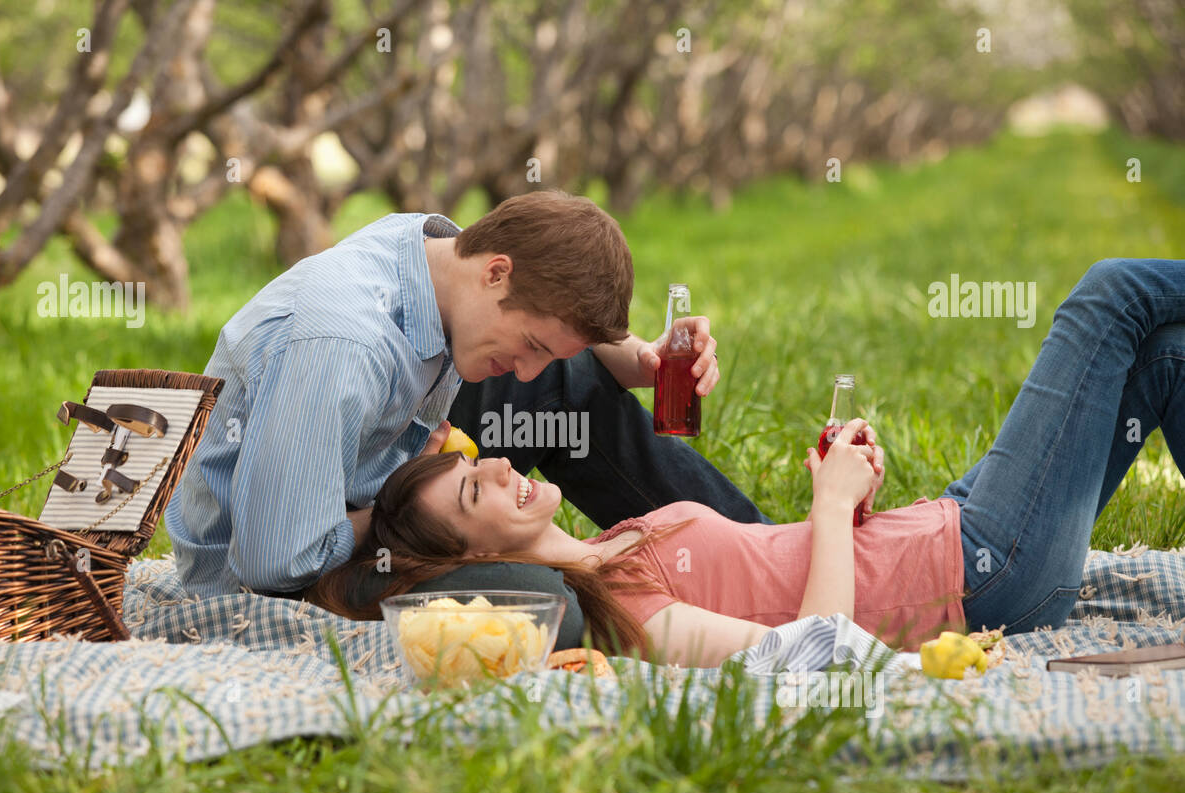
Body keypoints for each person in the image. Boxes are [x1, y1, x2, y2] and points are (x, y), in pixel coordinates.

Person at [307, 259, 1185, 668]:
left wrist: (851, 496)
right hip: (986, 570)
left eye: (475, 462)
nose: (495, 462)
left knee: (1166, 354)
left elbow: (778, 564)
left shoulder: (615, 544)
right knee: (1111, 295)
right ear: (476, 559)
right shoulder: (629, 613)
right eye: (472, 489)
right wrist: (831, 508)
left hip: (948, 527)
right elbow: (814, 658)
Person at [164, 191, 773, 615]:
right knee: (547, 608)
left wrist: (636, 356)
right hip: (274, 569)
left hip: (365, 476)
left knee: (566, 387)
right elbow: (275, 560)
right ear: (496, 273)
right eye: (533, 344)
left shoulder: (441, 254)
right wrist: (414, 511)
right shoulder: (344, 345)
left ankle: (765, 557)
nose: (529, 367)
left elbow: (550, 314)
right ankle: (727, 593)